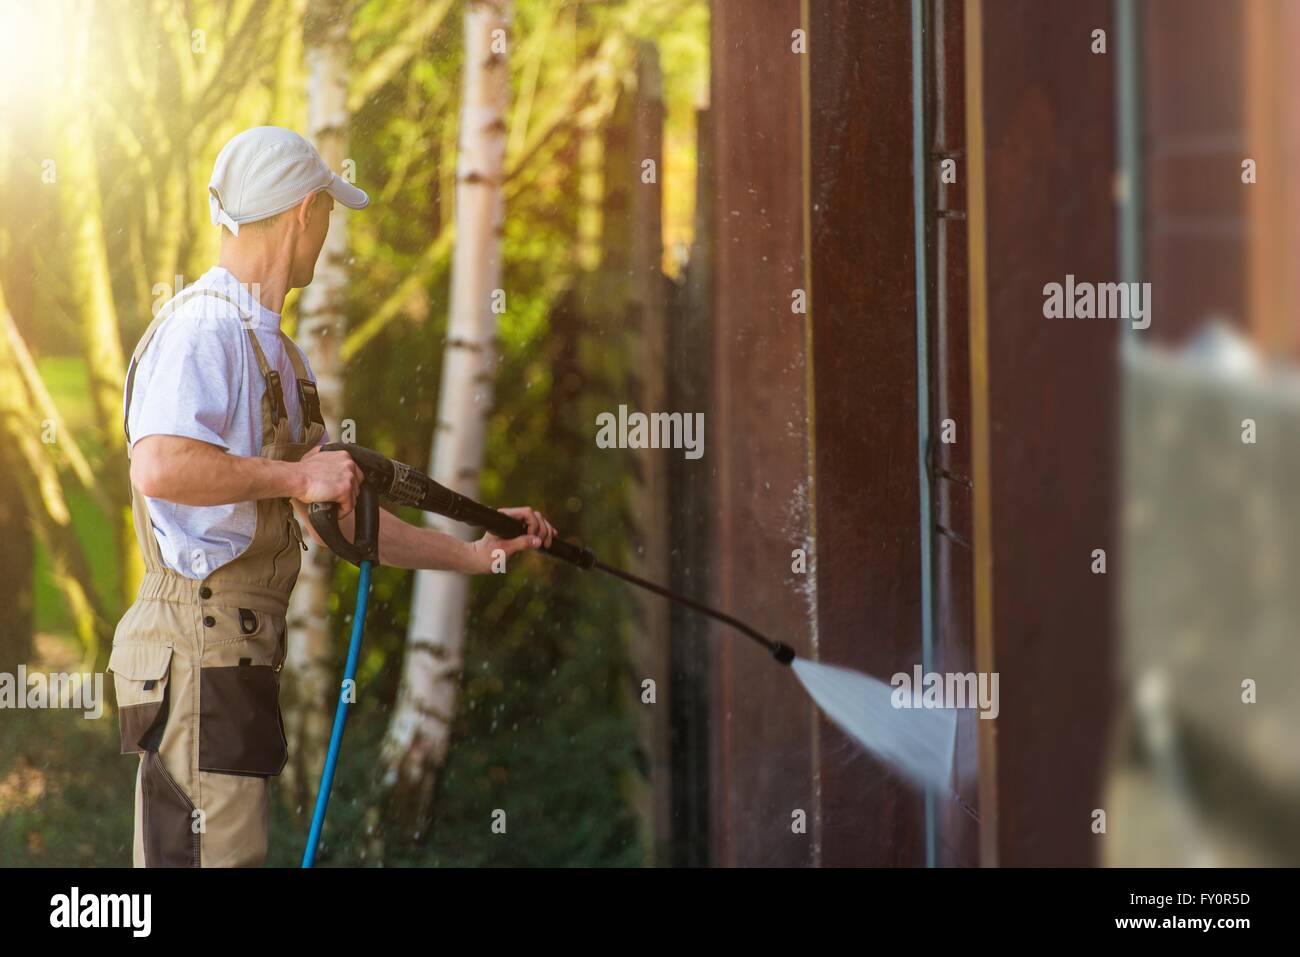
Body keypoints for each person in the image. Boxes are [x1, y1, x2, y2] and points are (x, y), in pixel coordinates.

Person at [109, 126, 554, 867]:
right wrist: (294, 476)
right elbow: (159, 464)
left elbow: (337, 517)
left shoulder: (280, 355)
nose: (327, 231)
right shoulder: (203, 327)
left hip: (233, 651)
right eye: (329, 214)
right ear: (303, 212)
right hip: (195, 642)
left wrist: (478, 553)